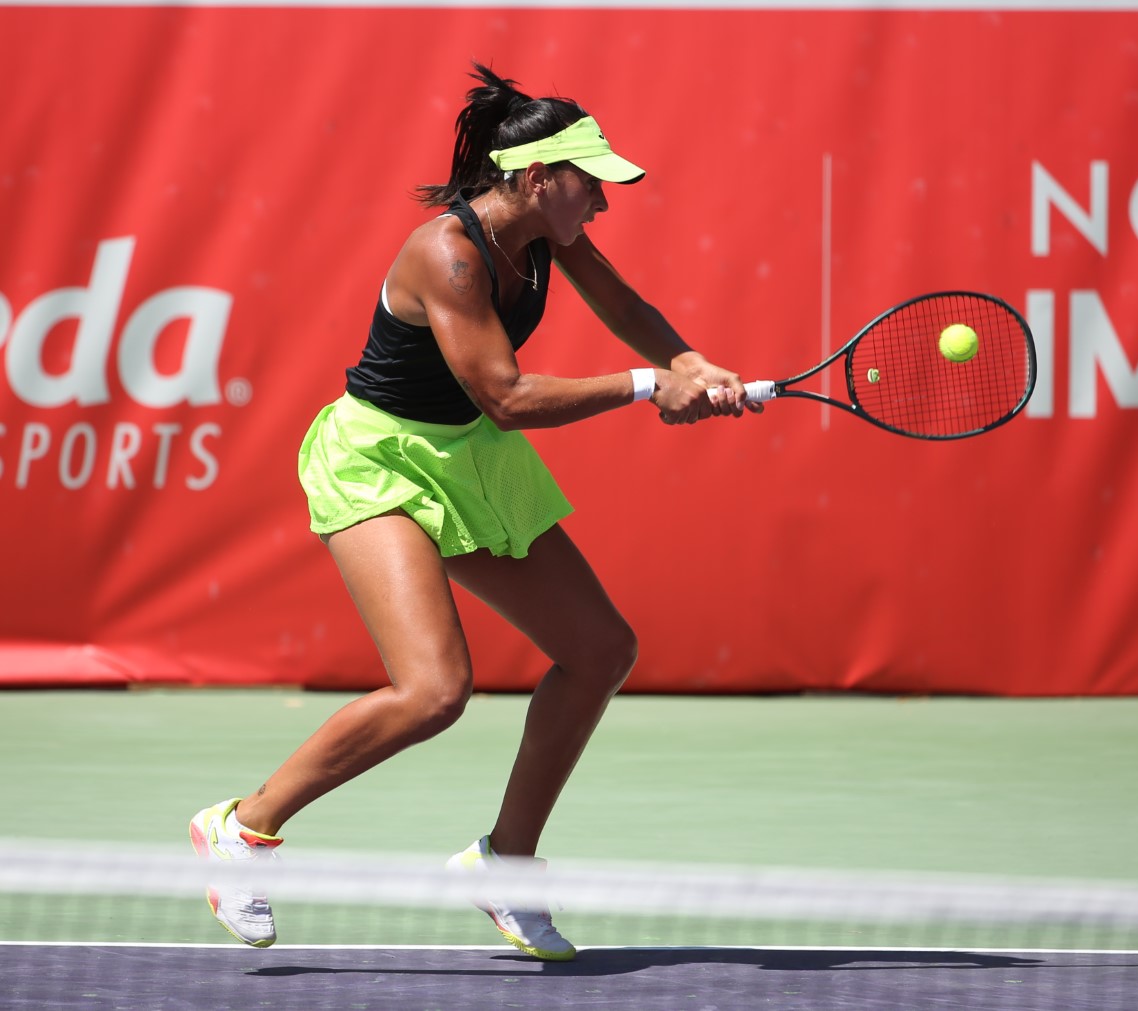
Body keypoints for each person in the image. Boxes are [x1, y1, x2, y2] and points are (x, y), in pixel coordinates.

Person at [188, 62, 758, 962]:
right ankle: (243, 827)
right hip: (378, 460)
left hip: (466, 459)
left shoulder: (547, 237)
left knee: (602, 649)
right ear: (538, 179)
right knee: (434, 690)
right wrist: (652, 385)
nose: (602, 205)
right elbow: (509, 396)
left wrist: (693, 360)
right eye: (591, 186)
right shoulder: (446, 254)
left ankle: (506, 863)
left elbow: (622, 302)